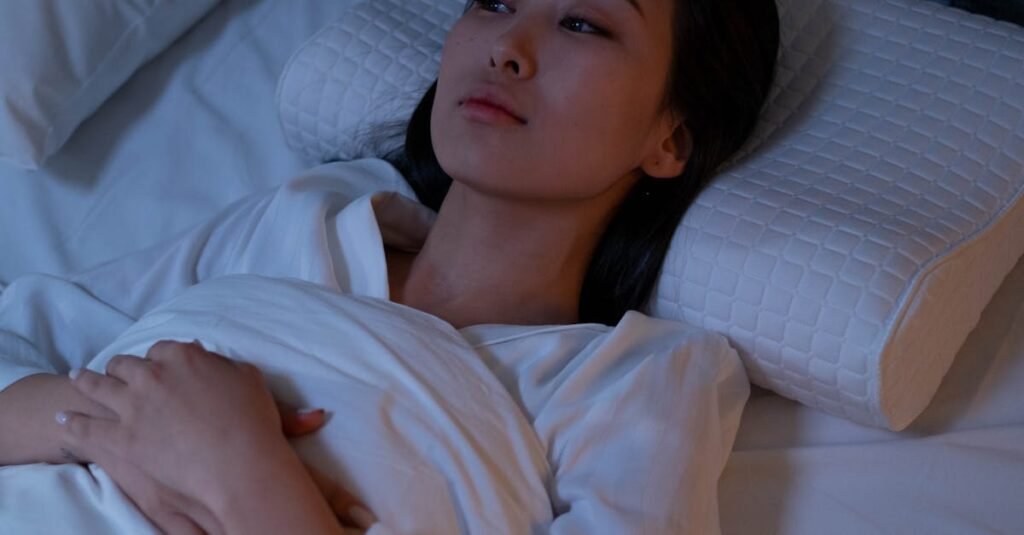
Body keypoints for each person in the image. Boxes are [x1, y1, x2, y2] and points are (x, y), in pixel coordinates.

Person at [0, 0, 779, 532]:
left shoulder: (630, 380)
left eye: (583, 23)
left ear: (671, 138)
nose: (506, 48)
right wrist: (130, 432)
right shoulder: (313, 217)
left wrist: (244, 475)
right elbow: (18, 340)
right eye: (494, 1)